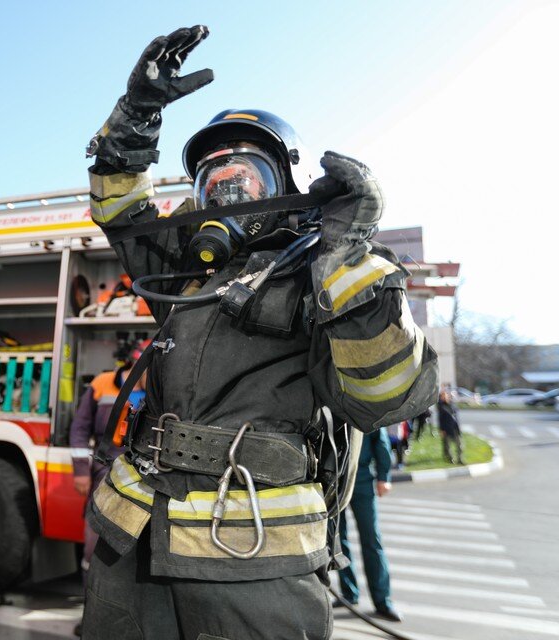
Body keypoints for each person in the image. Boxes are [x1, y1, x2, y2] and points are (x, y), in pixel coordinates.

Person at [80, 26, 438, 639]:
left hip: (251, 561)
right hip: (131, 543)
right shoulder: (184, 267)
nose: (222, 189)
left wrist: (346, 258)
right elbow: (117, 205)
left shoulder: (326, 272)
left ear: (284, 183)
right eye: (210, 177)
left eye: (243, 174)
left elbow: (387, 398)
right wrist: (136, 115)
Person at [70, 338, 147, 636]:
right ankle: (90, 614)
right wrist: (80, 472)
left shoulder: (157, 391)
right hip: (105, 473)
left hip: (141, 476)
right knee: (93, 548)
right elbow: (79, 428)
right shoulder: (103, 384)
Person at [336, 427, 401, 621]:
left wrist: (384, 477)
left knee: (372, 540)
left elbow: (380, 440)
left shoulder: (361, 402)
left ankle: (382, 601)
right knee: (338, 542)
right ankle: (349, 594)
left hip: (362, 479)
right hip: (335, 481)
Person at [438, 388, 464, 464]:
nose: (445, 397)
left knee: (459, 444)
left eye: (446, 395)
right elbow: (440, 419)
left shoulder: (452, 404)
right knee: (447, 445)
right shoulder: (441, 406)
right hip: (446, 428)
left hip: (455, 427)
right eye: (443, 396)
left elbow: (455, 415)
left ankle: (459, 459)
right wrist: (441, 429)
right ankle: (450, 459)